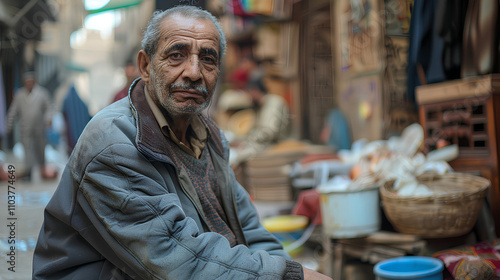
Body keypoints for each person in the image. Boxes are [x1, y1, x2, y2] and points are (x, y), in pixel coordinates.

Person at [33, 6, 331, 280]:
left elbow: (249, 229)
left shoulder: (207, 137)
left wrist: (290, 270)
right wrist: (289, 276)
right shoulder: (114, 144)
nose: (193, 72)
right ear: (146, 66)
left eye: (208, 59)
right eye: (176, 55)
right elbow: (176, 259)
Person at [230, 76, 291, 166]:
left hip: (274, 145)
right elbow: (255, 131)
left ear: (255, 91)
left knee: (234, 158)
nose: (248, 97)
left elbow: (268, 132)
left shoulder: (273, 103)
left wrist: (246, 143)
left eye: (248, 93)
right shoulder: (259, 107)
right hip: (263, 144)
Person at [6, 72, 52, 180]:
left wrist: (48, 119)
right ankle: (28, 172)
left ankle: (42, 170)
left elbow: (49, 108)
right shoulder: (19, 95)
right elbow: (13, 111)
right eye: (27, 82)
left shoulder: (42, 93)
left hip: (39, 128)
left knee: (40, 150)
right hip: (25, 128)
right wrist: (9, 124)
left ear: (34, 82)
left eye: (31, 82)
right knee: (27, 150)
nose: (29, 84)